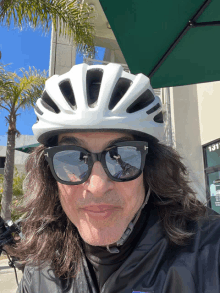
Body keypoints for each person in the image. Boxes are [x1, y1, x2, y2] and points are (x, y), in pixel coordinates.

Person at [12, 63, 220, 292]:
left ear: (151, 167)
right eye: (72, 159)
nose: (98, 186)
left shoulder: (210, 251)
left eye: (122, 157)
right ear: (49, 174)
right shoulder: (39, 267)